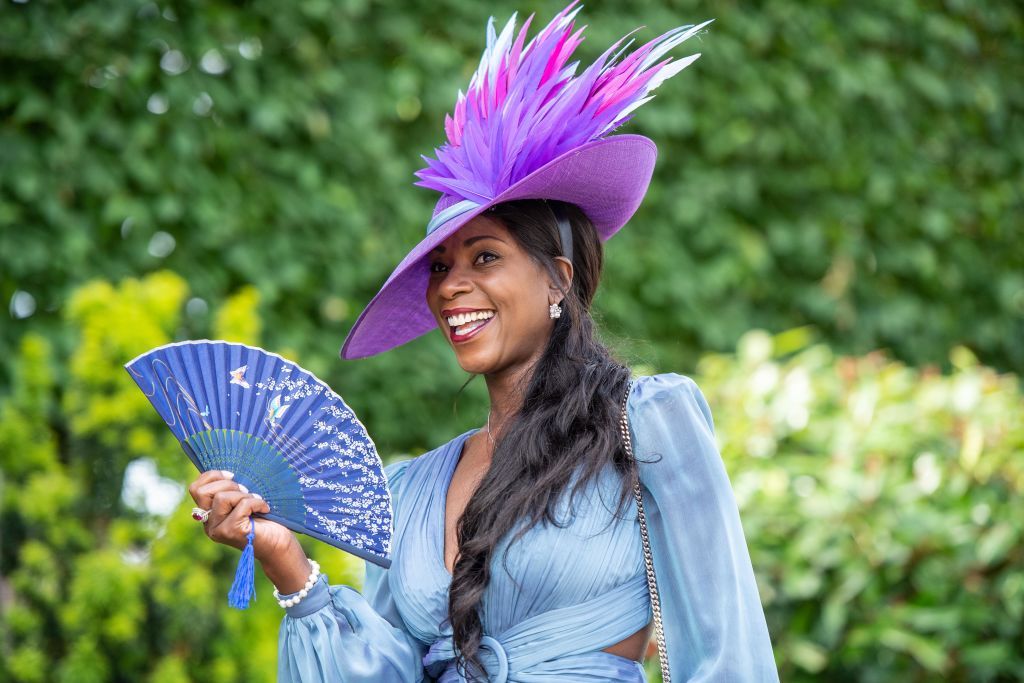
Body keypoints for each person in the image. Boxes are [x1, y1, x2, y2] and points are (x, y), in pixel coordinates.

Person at [188, 3, 779, 681]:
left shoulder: (646, 425)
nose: (450, 288)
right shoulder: (408, 489)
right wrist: (286, 558)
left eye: (486, 257)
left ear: (558, 279)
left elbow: (728, 652)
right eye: (441, 267)